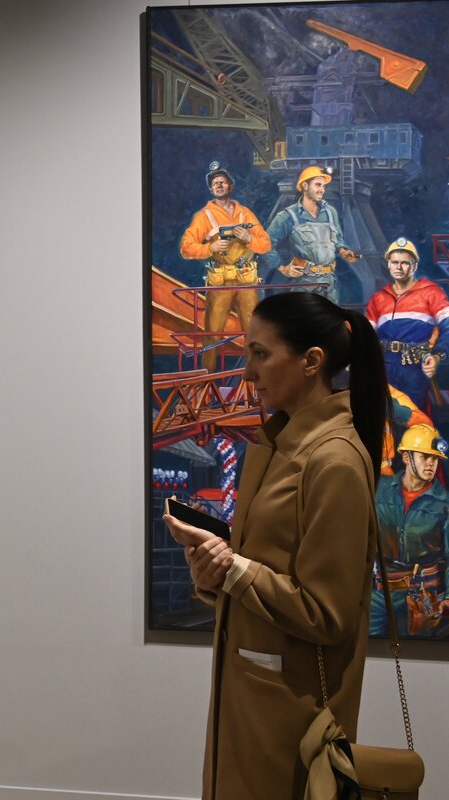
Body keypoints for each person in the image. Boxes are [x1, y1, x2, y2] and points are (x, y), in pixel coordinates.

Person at [163, 291, 387, 798]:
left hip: (289, 721)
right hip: (250, 706)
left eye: (261, 354)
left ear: (312, 361)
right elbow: (263, 572)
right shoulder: (278, 445)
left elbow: (327, 614)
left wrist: (233, 569)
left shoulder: (333, 461)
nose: (248, 372)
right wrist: (214, 574)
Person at [179, 162, 272, 372]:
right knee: (212, 335)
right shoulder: (204, 216)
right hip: (219, 284)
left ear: (230, 186)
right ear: (211, 189)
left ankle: (255, 381)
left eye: (222, 182)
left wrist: (249, 238)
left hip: (246, 282)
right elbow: (186, 248)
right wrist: (210, 248)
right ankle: (206, 382)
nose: (219, 186)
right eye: (215, 183)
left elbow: (265, 244)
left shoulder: (245, 214)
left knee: (253, 334)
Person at [371, 423, 449, 638]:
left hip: (423, 596)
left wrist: (448, 597)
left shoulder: (444, 503)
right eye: (425, 457)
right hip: (377, 593)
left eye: (435, 459)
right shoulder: (380, 490)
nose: (431, 463)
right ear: (406, 457)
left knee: (418, 651)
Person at [365, 237, 449, 411]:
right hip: (384, 365)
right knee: (382, 414)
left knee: (414, 415)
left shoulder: (431, 293)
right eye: (395, 262)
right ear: (389, 264)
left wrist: (437, 357)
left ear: (414, 266)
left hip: (414, 367)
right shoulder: (378, 298)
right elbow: (364, 335)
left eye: (405, 263)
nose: (399, 267)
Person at [262, 165, 359, 303]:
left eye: (323, 186)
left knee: (330, 316)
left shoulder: (330, 212)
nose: (322, 190)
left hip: (329, 283)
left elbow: (337, 239)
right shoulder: (288, 216)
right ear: (305, 186)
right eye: (318, 185)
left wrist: (343, 251)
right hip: (303, 283)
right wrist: (282, 268)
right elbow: (264, 242)